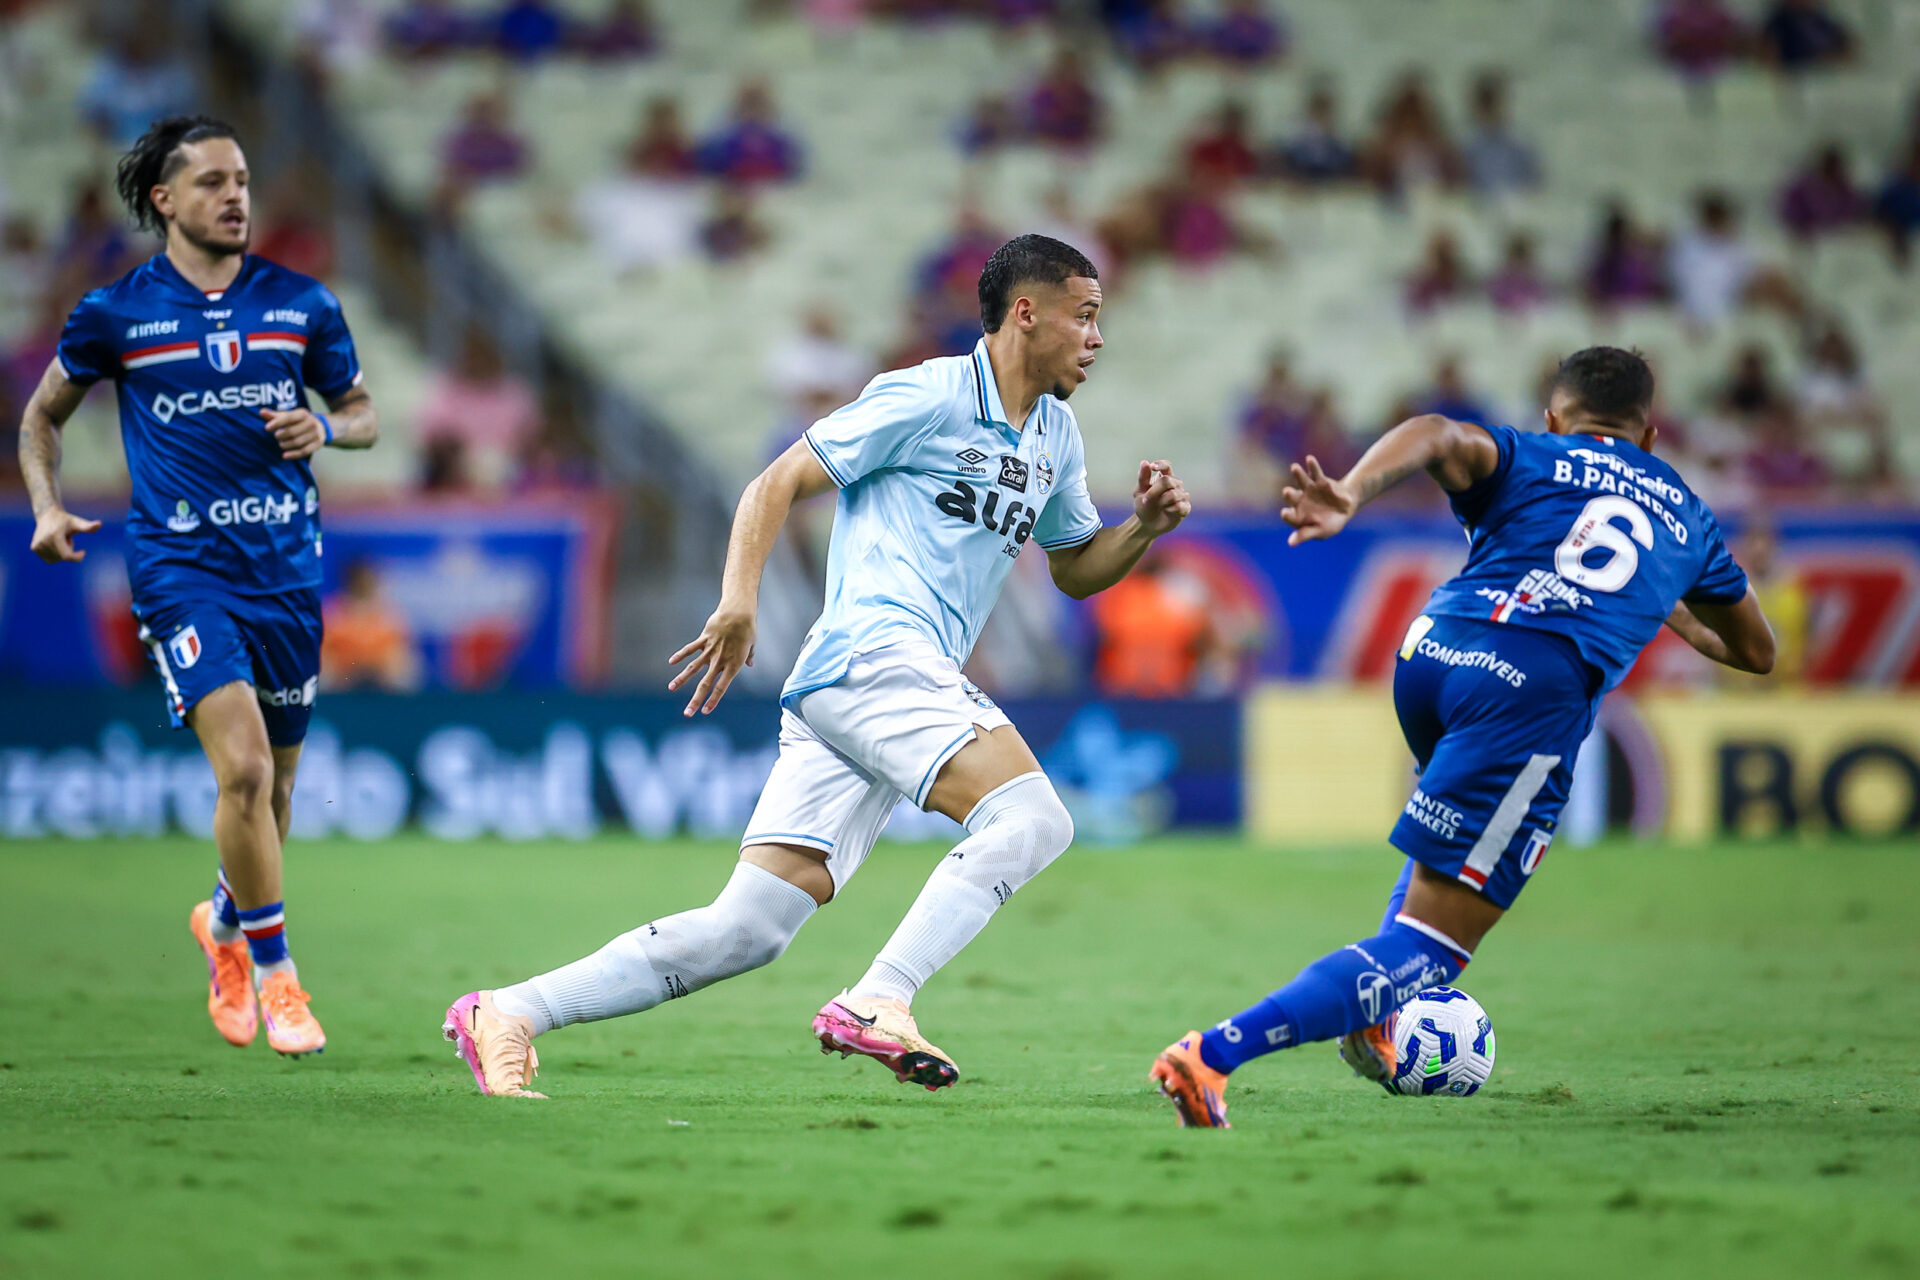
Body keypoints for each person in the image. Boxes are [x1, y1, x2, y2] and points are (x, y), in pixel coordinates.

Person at [443, 235, 1192, 1099]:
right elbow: (777, 481)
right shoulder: (925, 394)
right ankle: (881, 998)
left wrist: (1139, 530)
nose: (1098, 337)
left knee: (747, 929)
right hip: (876, 653)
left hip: (876, 685)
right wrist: (737, 600)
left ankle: (509, 1011)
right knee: (1032, 820)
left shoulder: (1056, 434)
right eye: (1086, 315)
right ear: (1027, 312)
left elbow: (1073, 566)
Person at [1149, 347, 1773, 1126]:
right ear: (1652, 435)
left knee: (1429, 880)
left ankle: (1376, 1018)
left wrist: (1349, 492)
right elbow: (1755, 651)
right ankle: (1212, 1054)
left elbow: (1437, 432)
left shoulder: (1534, 452)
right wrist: (1670, 595)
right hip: (1529, 690)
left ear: (1556, 418)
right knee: (1432, 950)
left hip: (1433, 651)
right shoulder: (1686, 513)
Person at [16, 117, 379, 1057]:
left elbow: (362, 412)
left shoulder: (301, 304)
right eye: (214, 181)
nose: (236, 196)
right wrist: (47, 509)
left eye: (244, 180)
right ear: (166, 201)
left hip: (287, 575)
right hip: (181, 572)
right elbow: (41, 418)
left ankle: (223, 924)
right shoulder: (116, 314)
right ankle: (278, 976)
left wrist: (325, 432)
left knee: (278, 793)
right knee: (247, 772)